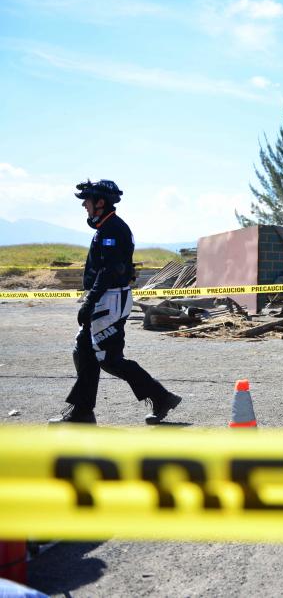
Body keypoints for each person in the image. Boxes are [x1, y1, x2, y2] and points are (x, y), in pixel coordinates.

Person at [49, 180, 182, 425]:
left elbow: (110, 269)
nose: (84, 205)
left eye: (87, 200)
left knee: (109, 358)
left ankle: (160, 397)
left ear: (100, 202)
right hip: (106, 296)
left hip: (110, 299)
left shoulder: (112, 229)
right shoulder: (106, 227)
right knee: (84, 351)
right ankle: (82, 411)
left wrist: (90, 300)